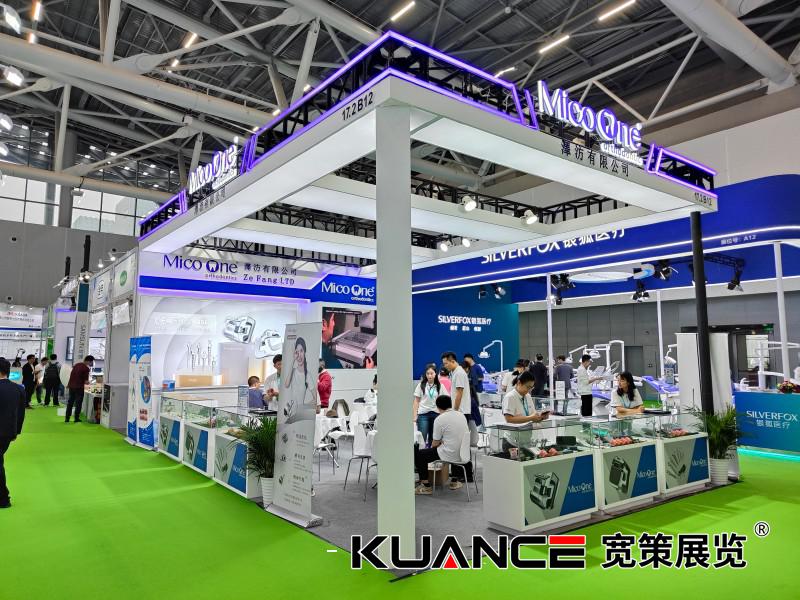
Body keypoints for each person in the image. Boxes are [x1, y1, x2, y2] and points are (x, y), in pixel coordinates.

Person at [413, 395, 472, 495]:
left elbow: (435, 444)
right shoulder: (461, 415)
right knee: (453, 446)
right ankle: (454, 481)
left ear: (438, 407)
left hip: (449, 454)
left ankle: (426, 485)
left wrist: (439, 443)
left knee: (420, 455)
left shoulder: (440, 419)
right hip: (463, 453)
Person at [0, 357, 26, 508]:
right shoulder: (19, 389)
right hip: (8, 432)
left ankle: (3, 498)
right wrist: (15, 432)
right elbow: (21, 414)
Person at [441, 351, 478, 455]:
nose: (445, 366)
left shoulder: (459, 373)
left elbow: (459, 393)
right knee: (459, 439)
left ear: (452, 361)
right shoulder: (456, 372)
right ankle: (461, 461)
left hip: (461, 412)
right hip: (460, 412)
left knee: (462, 440)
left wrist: (455, 411)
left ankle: (465, 462)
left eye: (446, 363)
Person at [283, 338, 316, 423]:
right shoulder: (293, 371)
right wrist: (293, 359)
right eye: (296, 352)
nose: (299, 355)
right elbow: (286, 384)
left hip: (299, 416)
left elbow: (315, 398)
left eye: (301, 351)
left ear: (305, 352)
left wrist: (303, 406)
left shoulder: (307, 375)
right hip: (289, 413)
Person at [413, 364, 442, 448]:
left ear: (435, 374)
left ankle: (431, 455)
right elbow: (416, 401)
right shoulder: (421, 385)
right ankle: (421, 455)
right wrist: (414, 416)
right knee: (422, 438)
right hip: (423, 415)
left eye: (431, 373)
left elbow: (443, 400)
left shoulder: (439, 386)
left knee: (434, 439)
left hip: (436, 414)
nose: (429, 376)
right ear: (425, 374)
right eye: (427, 373)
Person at [66, 355, 94, 423]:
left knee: (70, 402)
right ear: (89, 361)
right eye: (91, 362)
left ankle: (67, 418)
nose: (92, 363)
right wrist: (90, 383)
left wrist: (68, 384)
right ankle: (76, 418)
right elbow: (86, 381)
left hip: (72, 386)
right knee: (78, 403)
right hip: (79, 388)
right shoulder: (86, 368)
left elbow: (71, 376)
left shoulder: (76, 365)